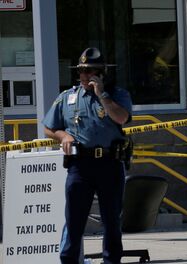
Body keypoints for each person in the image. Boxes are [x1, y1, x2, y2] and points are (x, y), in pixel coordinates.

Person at [43, 47, 132, 264]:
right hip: (79, 165)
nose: (84, 76)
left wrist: (102, 94)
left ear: (101, 73)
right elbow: (48, 127)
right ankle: (69, 260)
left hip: (109, 164)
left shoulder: (118, 95)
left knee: (111, 220)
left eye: (89, 71)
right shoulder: (68, 97)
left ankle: (111, 260)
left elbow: (121, 118)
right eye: (81, 71)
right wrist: (63, 136)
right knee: (74, 220)